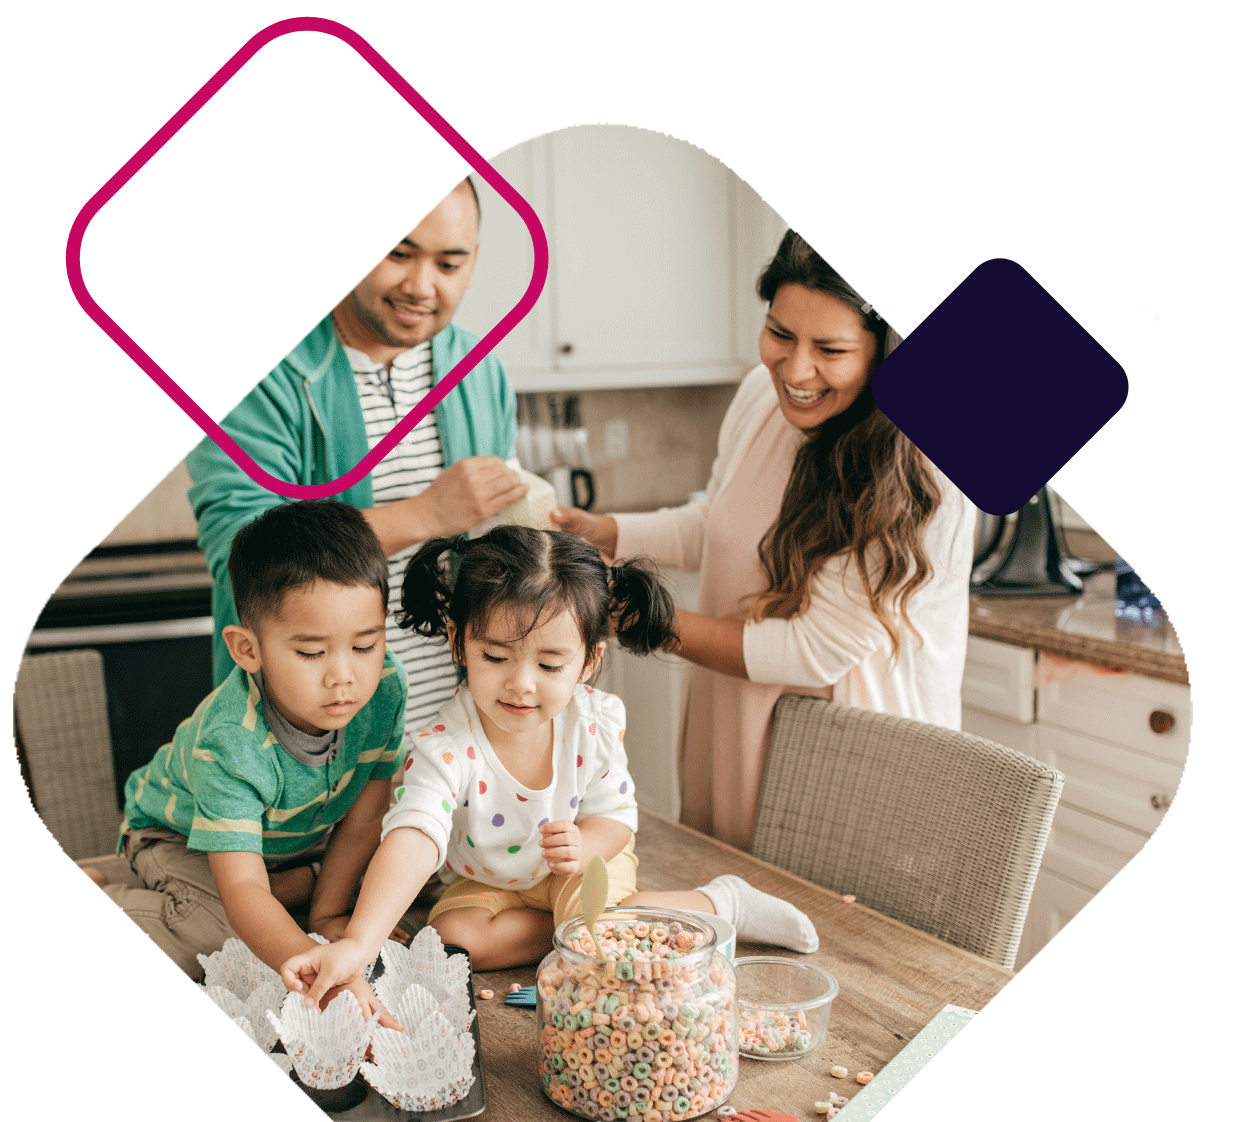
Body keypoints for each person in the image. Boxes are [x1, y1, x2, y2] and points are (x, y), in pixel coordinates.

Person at [553, 231, 977, 851]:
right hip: (737, 706)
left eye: (829, 349)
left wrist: (639, 617)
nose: (796, 369)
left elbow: (810, 652)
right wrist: (606, 532)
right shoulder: (761, 394)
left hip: (849, 746)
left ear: (886, 354)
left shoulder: (924, 459)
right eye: (780, 334)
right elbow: (720, 526)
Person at [278, 526, 818, 1003]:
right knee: (453, 942)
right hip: (493, 883)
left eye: (550, 663)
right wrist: (358, 943)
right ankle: (572, 930)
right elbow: (416, 831)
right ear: (458, 642)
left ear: (589, 661)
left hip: (582, 864)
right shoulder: (444, 742)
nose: (521, 683)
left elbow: (616, 819)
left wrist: (585, 846)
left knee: (594, 924)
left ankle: (720, 902)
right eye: (495, 657)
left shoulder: (594, 723)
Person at [186, 177, 528, 736]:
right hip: (311, 751)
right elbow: (240, 558)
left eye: (449, 264)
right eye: (399, 253)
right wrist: (426, 515)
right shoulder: (258, 374)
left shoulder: (480, 369)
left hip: (457, 740)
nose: (421, 286)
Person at [91, 501, 406, 1017]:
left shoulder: (385, 689)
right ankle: (109, 885)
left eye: (366, 644)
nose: (343, 676)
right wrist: (312, 964)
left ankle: (301, 887)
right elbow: (241, 886)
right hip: (175, 835)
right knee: (220, 930)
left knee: (364, 876)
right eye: (311, 653)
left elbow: (366, 814)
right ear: (247, 650)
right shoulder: (230, 741)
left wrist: (329, 917)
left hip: (284, 843)